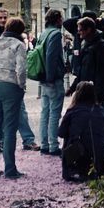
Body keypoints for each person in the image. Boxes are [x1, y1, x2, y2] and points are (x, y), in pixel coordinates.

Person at [0, 17, 28, 179]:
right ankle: (10, 168)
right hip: (11, 86)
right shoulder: (18, 45)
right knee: (10, 128)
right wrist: (21, 85)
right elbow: (21, 69)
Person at [58, 81, 104, 181]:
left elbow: (61, 132)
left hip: (78, 155)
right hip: (99, 159)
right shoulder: (101, 110)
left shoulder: (73, 110)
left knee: (70, 138)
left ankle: (73, 169)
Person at [37, 9, 68, 156]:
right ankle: (53, 145)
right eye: (61, 18)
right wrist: (51, 77)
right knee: (55, 113)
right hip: (53, 78)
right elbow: (51, 57)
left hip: (43, 77)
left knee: (45, 112)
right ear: (57, 19)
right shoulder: (55, 34)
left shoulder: (43, 33)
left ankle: (44, 144)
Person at [69, 17, 104, 108]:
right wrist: (72, 88)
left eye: (80, 30)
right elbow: (82, 71)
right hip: (86, 93)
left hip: (96, 95)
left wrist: (96, 96)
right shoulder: (87, 46)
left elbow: (103, 74)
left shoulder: (101, 47)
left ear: (88, 30)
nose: (78, 32)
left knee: (98, 119)